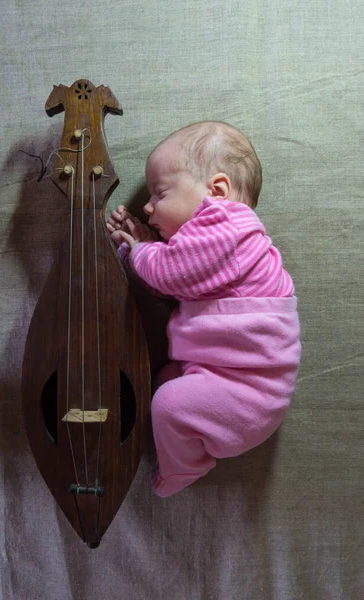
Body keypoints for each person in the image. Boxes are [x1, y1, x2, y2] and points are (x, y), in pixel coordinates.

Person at [107, 121, 301, 498]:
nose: (147, 207)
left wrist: (141, 250)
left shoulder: (229, 224)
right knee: (163, 378)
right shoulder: (210, 251)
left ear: (217, 191)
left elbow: (169, 273)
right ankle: (189, 437)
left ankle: (184, 469)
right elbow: (171, 286)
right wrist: (146, 245)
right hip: (226, 377)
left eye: (160, 193)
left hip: (249, 392)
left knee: (165, 404)